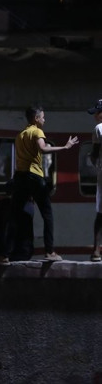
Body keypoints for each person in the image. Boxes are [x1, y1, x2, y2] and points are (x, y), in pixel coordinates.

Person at [0, 105, 78, 265]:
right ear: (36, 118)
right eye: (43, 117)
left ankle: (4, 255)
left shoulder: (20, 135)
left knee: (14, 217)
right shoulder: (37, 131)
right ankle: (50, 251)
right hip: (34, 177)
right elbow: (43, 148)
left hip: (20, 177)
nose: (44, 120)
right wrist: (65, 147)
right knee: (47, 214)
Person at [87, 99, 102, 262]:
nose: (96, 116)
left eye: (98, 112)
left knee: (100, 213)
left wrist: (91, 159)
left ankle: (96, 250)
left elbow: (95, 154)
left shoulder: (99, 128)